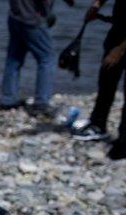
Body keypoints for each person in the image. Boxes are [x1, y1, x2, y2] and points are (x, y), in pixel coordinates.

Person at [0, 0, 75, 117]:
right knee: (46, 59)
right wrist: (47, 13)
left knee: (14, 59)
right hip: (32, 19)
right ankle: (41, 103)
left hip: (15, 16)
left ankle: (8, 99)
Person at [72, 0, 126, 159]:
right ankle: (98, 124)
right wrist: (96, 6)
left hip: (122, 43)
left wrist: (119, 50)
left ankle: (123, 142)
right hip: (118, 30)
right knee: (106, 80)